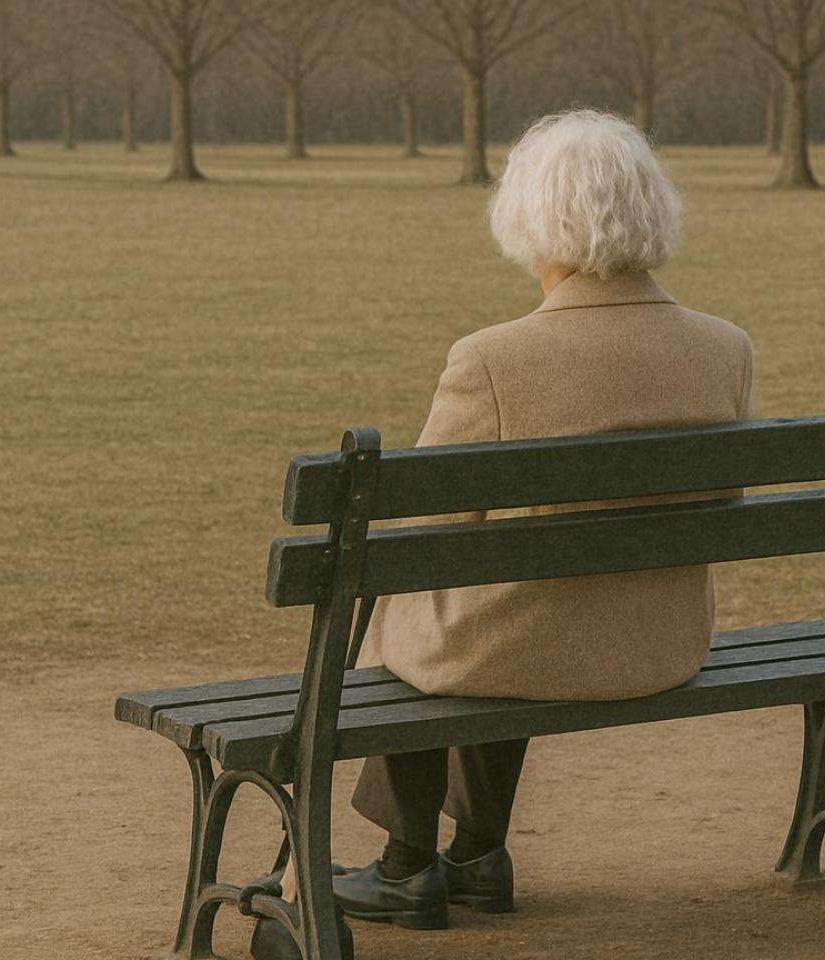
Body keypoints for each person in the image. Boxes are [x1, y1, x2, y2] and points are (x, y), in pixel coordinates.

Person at [258, 109, 755, 959]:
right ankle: (479, 853)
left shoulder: (491, 358)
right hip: (660, 640)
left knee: (414, 602)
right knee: (495, 594)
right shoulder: (724, 348)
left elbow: (415, 534)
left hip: (532, 643)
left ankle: (409, 861)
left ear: (534, 222)